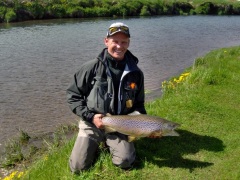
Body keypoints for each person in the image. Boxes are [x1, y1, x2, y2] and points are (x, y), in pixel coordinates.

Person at [66, 22, 146, 173]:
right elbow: (73, 96)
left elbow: (139, 105)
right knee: (77, 168)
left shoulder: (136, 73)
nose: (119, 46)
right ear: (106, 41)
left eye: (124, 42)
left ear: (128, 43)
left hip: (120, 125)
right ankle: (96, 143)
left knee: (125, 161)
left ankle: (109, 144)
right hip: (92, 123)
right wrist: (90, 116)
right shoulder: (91, 67)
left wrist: (144, 129)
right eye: (115, 41)